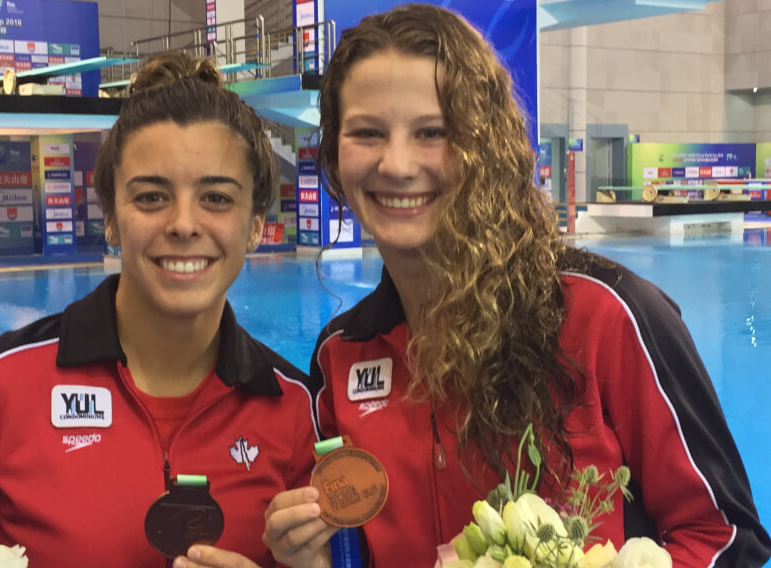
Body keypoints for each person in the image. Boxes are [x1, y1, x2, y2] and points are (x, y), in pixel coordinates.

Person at [263, 4, 771, 567]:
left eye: (434, 132)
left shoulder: (605, 315)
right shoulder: (340, 357)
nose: (398, 163)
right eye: (366, 132)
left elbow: (727, 538)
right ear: (334, 151)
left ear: (484, 144)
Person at [0, 53, 318, 568]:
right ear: (112, 218)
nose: (184, 224)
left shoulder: (296, 409)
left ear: (255, 223)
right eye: (151, 197)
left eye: (215, 197)